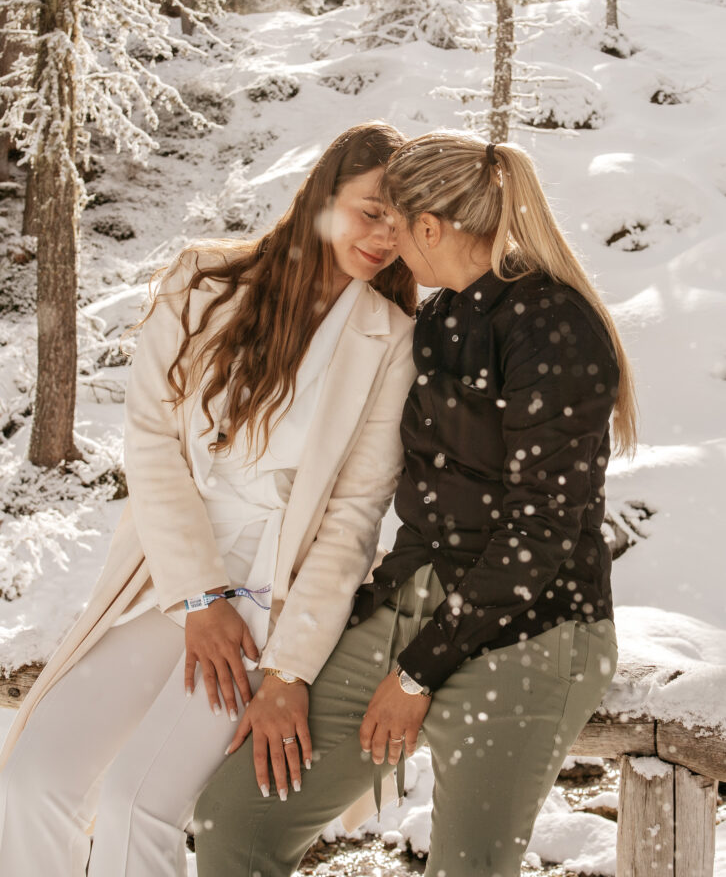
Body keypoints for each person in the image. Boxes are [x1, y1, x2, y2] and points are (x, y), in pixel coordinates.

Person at [193, 133, 638, 877]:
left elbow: (541, 533)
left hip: (532, 630)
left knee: (468, 867)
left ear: (429, 228)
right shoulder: (438, 323)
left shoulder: (554, 329)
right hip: (416, 608)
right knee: (236, 821)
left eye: (397, 225)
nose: (387, 242)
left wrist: (415, 674)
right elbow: (421, 502)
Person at [0, 121, 419, 877]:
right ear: (325, 198)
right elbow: (151, 443)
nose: (385, 235)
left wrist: (288, 671)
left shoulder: (390, 338)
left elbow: (354, 517)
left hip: (274, 601)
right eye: (370, 210)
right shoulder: (200, 281)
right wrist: (199, 596)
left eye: (401, 218)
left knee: (140, 804)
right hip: (168, 576)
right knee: (33, 777)